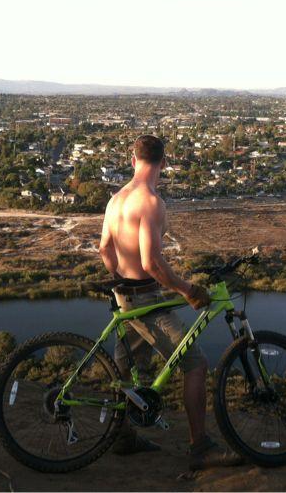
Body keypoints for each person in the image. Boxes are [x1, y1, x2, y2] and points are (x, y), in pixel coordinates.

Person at [98, 134, 241, 471]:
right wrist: (187, 289)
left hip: (124, 293)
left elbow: (105, 249)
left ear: (133, 161)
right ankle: (200, 447)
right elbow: (151, 263)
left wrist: (120, 278)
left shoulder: (115, 200)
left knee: (128, 370)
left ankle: (122, 438)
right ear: (164, 163)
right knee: (195, 365)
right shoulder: (150, 202)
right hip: (145, 295)